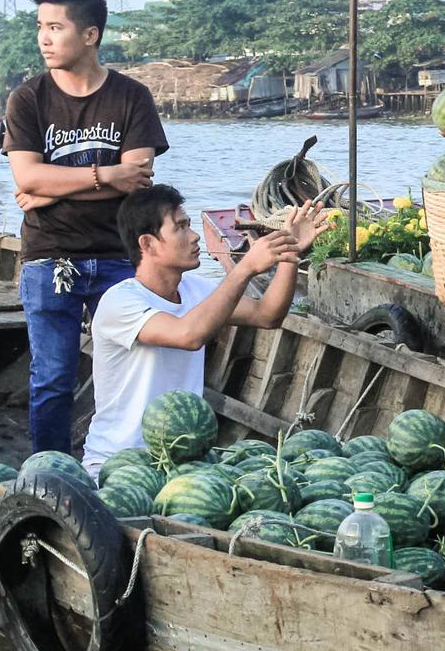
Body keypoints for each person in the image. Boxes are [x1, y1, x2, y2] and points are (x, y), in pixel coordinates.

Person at [5, 0, 171, 459]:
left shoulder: (130, 96)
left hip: (119, 257)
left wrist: (51, 185)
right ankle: (50, 470)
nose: (44, 38)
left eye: (56, 27)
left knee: (127, 371)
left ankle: (120, 465)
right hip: (49, 257)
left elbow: (138, 178)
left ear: (91, 34)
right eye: (41, 27)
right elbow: (27, 176)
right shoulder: (28, 99)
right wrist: (104, 176)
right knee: (53, 378)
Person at [81, 186, 318, 472]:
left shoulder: (196, 290)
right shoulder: (120, 301)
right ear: (147, 243)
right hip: (120, 464)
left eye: (190, 225)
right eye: (180, 227)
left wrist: (289, 254)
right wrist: (244, 269)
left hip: (181, 464)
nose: (193, 236)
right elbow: (188, 335)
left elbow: (267, 315)